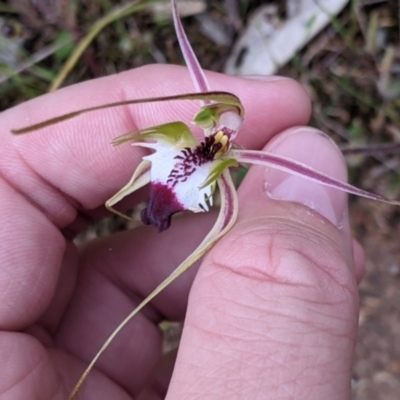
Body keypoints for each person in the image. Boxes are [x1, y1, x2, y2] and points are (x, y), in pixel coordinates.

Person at [0, 64, 364, 399]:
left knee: (194, 237)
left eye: (225, 137)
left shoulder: (213, 154)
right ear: (205, 119)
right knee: (162, 220)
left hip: (204, 168)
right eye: (215, 125)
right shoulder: (197, 148)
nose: (220, 137)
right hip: (198, 167)